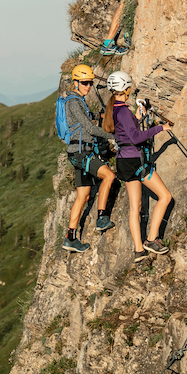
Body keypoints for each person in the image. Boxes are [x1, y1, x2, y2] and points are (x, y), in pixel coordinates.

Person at [103, 70, 172, 263]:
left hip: (124, 162)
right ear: (125, 88)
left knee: (135, 207)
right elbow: (135, 137)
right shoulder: (123, 110)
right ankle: (151, 239)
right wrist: (160, 128)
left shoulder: (115, 109)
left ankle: (139, 251)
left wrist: (138, 118)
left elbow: (127, 131)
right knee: (165, 196)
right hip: (135, 160)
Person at [59, 64, 118, 253]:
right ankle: (101, 218)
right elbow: (89, 128)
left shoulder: (75, 101)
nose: (88, 86)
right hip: (82, 152)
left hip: (77, 153)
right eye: (84, 83)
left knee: (83, 196)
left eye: (90, 83)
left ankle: (70, 237)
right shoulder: (74, 102)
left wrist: (97, 115)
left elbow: (82, 119)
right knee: (109, 176)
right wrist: (115, 137)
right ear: (76, 82)